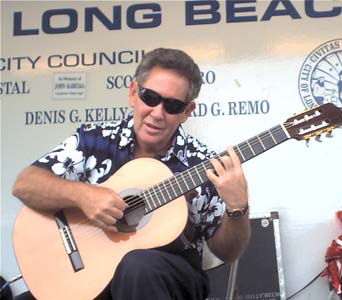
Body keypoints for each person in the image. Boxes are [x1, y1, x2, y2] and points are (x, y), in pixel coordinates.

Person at [12, 48, 251, 300]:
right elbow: (25, 184)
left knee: (137, 266)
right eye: (150, 97)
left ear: (187, 112)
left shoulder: (201, 163)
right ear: (133, 93)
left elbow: (227, 252)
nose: (158, 113)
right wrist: (84, 196)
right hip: (96, 277)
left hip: (166, 277)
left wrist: (237, 208)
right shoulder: (94, 140)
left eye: (172, 105)